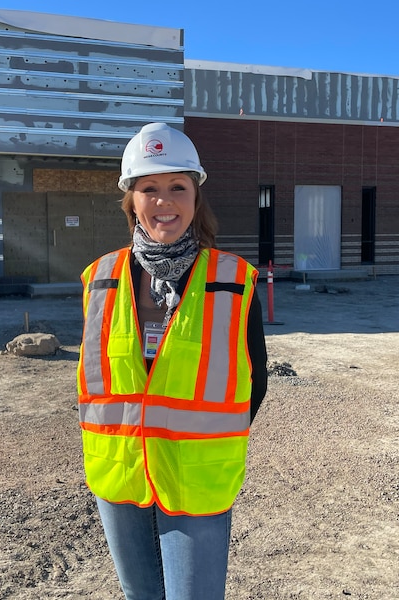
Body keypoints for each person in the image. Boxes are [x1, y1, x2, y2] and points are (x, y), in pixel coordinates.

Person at [77, 122, 268, 600]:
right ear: (132, 201)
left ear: (195, 196)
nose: (164, 202)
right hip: (119, 473)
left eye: (177, 187)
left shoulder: (232, 281)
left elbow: (255, 381)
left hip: (195, 476)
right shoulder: (99, 279)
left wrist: (203, 441)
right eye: (150, 189)